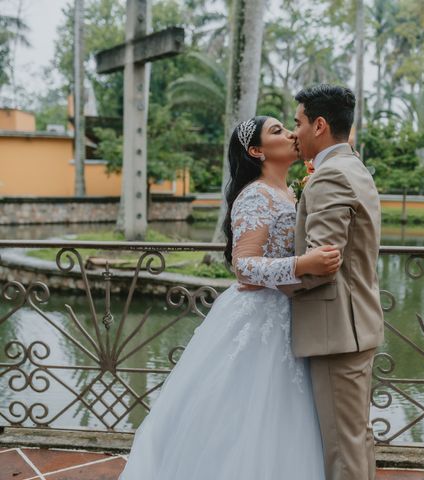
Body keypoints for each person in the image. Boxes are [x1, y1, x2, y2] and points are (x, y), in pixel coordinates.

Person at [119, 115, 339, 479]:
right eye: (277, 131)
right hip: (258, 319)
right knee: (247, 416)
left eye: (288, 126)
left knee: (286, 417)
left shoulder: (290, 191)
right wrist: (302, 264)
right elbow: (244, 266)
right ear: (256, 151)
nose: (289, 134)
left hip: (289, 313)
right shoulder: (256, 195)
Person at [282, 84, 385, 480]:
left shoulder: (330, 177)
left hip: (337, 331)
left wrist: (267, 279)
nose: (295, 133)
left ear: (320, 125)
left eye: (299, 122)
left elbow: (321, 263)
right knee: (354, 438)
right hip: (354, 325)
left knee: (343, 448)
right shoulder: (353, 166)